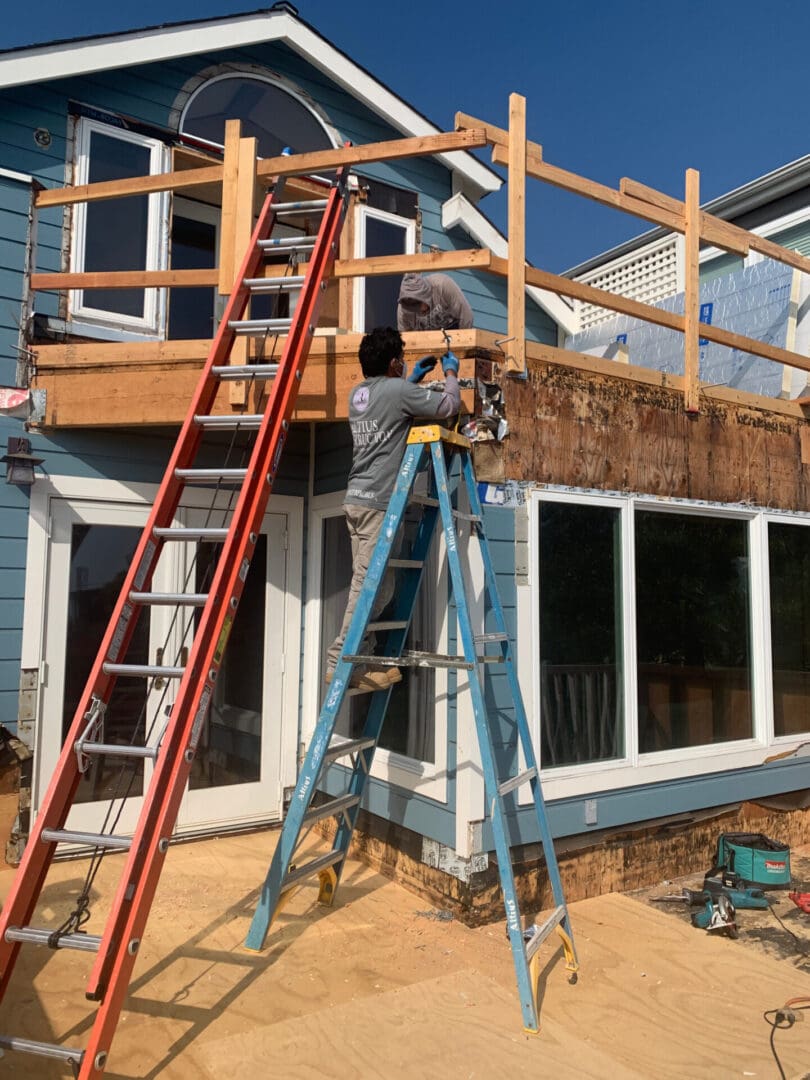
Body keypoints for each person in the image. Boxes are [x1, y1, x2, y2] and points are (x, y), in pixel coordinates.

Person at [326, 326, 461, 691]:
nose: (404, 364)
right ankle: (340, 661)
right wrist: (451, 374)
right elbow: (448, 407)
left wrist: (412, 380)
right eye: (400, 360)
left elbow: (388, 411)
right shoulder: (398, 391)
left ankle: (362, 659)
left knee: (379, 589)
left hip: (356, 500)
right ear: (392, 362)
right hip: (378, 504)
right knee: (366, 587)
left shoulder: (359, 394)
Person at [397, 272, 473, 333]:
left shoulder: (442, 285)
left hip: (454, 333)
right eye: (414, 308)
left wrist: (463, 346)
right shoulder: (403, 311)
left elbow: (465, 316)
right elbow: (405, 340)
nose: (419, 310)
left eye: (419, 304)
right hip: (426, 344)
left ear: (425, 295)